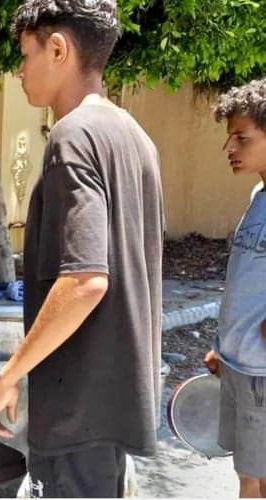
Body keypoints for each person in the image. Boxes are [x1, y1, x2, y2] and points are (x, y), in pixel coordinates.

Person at [0, 0, 164, 496]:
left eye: (25, 54)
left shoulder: (73, 137)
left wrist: (11, 373)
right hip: (116, 406)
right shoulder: (136, 137)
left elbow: (85, 280)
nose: (18, 70)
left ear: (58, 48)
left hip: (77, 410)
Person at [203, 77, 266, 498]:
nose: (230, 148)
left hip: (262, 372)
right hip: (241, 365)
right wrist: (227, 347)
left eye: (241, 138)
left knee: (254, 481)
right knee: (250, 476)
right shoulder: (259, 195)